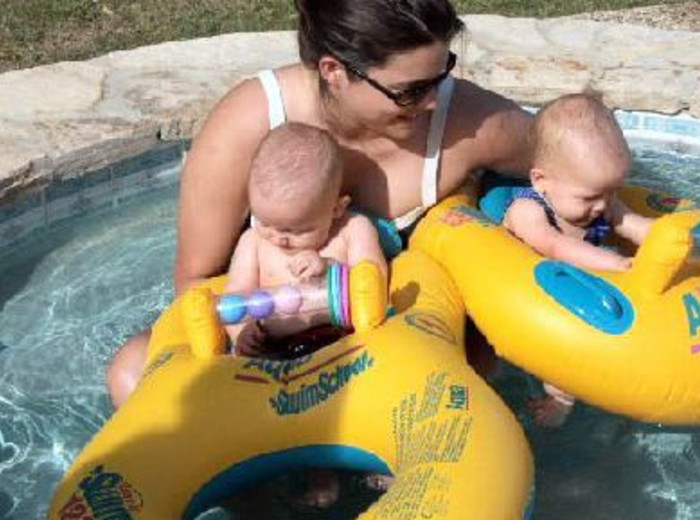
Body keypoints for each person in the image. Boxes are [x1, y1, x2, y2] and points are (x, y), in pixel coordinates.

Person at [105, 0, 533, 505]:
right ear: (334, 70)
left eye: (444, 74)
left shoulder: (468, 121)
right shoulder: (249, 125)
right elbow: (196, 283)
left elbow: (571, 174)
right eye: (410, 90)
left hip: (405, 352)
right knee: (133, 369)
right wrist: (259, 339)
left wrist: (530, 223)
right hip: (275, 344)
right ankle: (261, 505)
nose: (435, 101)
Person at [481, 93, 653, 427]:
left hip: (580, 291)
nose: (603, 206)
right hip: (528, 302)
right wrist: (619, 265)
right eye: (590, 196)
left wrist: (681, 245)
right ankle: (557, 401)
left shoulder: (603, 204)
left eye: (612, 191)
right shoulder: (527, 211)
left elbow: (639, 227)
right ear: (541, 181)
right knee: (562, 363)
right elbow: (554, 246)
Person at [224, 122, 386, 355]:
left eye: (297, 230)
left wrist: (329, 268)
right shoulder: (253, 242)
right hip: (273, 347)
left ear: (336, 209)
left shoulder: (353, 229)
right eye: (265, 222)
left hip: (345, 340)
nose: (279, 239)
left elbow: (373, 281)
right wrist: (243, 333)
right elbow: (236, 298)